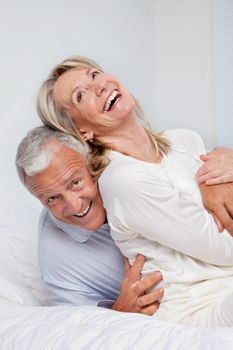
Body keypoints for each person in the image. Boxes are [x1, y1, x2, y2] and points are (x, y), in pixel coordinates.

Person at [35, 55, 233, 327]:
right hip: (201, 307)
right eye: (81, 95)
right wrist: (211, 185)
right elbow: (224, 251)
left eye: (94, 75)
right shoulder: (123, 180)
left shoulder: (185, 139)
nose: (99, 86)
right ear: (81, 131)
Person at [16, 126, 163, 314]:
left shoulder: (123, 167)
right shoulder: (56, 258)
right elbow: (78, 327)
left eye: (75, 183)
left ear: (91, 164)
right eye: (52, 198)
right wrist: (122, 311)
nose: (75, 206)